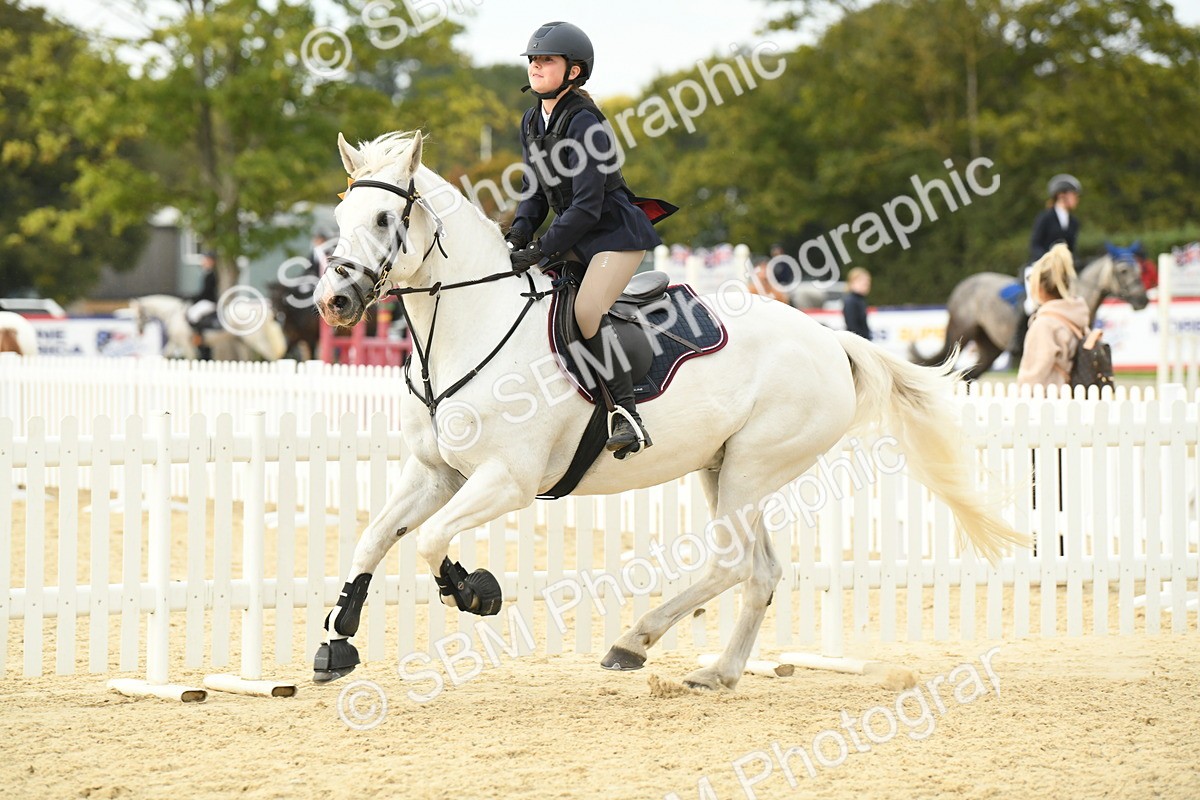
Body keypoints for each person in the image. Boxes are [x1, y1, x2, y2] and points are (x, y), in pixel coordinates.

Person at [506, 21, 670, 460]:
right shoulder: (532, 119)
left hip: (614, 235)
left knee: (585, 311)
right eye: (533, 60)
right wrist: (519, 233)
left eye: (547, 60)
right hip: (578, 235)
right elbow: (535, 192)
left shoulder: (586, 121)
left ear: (574, 72)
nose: (537, 66)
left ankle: (627, 414)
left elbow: (586, 204)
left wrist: (543, 248)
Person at [1011, 174, 1082, 366]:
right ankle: (1017, 341)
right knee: (1030, 303)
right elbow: (1034, 244)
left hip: (1063, 271)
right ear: (1061, 196)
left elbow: (1072, 250)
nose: (1077, 199)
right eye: (1074, 194)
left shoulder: (1074, 222)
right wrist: (1048, 262)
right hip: (1040, 267)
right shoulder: (1045, 218)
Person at [1017, 243, 1089, 388]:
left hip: (1048, 403)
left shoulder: (1044, 325)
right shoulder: (1077, 319)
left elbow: (1032, 376)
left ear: (1040, 288)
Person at [842, 267, 872, 339]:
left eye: (867, 282)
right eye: (861, 281)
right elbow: (852, 326)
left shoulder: (859, 300)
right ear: (852, 282)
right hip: (856, 342)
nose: (866, 284)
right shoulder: (851, 301)